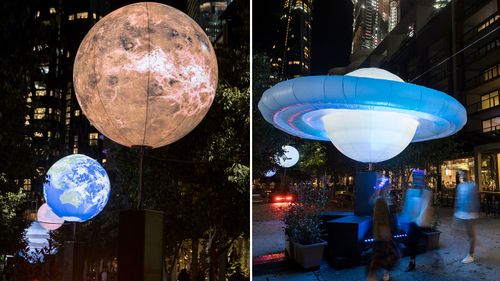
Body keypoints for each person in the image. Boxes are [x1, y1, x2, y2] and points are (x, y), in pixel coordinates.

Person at [367, 177, 400, 281]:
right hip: (382, 233)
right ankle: (372, 276)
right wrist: (386, 232)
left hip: (379, 233)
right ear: (384, 187)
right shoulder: (381, 200)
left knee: (380, 254)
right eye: (387, 185)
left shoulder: (380, 199)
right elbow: (381, 218)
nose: (389, 187)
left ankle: (379, 275)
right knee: (380, 255)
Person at [400, 169, 433, 272]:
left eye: (418, 178)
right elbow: (407, 206)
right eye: (415, 178)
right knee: (412, 242)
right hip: (412, 222)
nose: (416, 180)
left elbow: (426, 207)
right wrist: (403, 218)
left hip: (420, 222)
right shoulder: (411, 192)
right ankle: (412, 261)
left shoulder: (425, 193)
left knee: (414, 241)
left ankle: (414, 261)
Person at [454, 170, 480, 264]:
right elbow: (458, 200)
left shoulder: (472, 186)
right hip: (462, 213)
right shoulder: (460, 186)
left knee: (471, 235)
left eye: (463, 173)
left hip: (470, 214)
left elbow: (475, 201)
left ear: (467, 174)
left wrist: (474, 213)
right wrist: (456, 213)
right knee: (468, 234)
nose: (461, 175)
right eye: (460, 174)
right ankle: (471, 249)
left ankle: (471, 255)